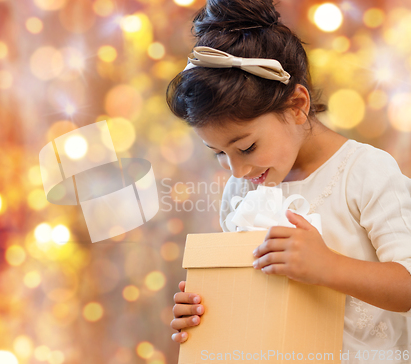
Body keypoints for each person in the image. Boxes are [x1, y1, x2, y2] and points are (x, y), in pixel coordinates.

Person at [166, 0, 411, 363]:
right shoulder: (241, 191)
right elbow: (253, 295)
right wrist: (206, 306)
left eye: (246, 147)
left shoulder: (366, 172)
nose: (236, 170)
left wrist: (329, 267)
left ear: (297, 105)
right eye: (218, 153)